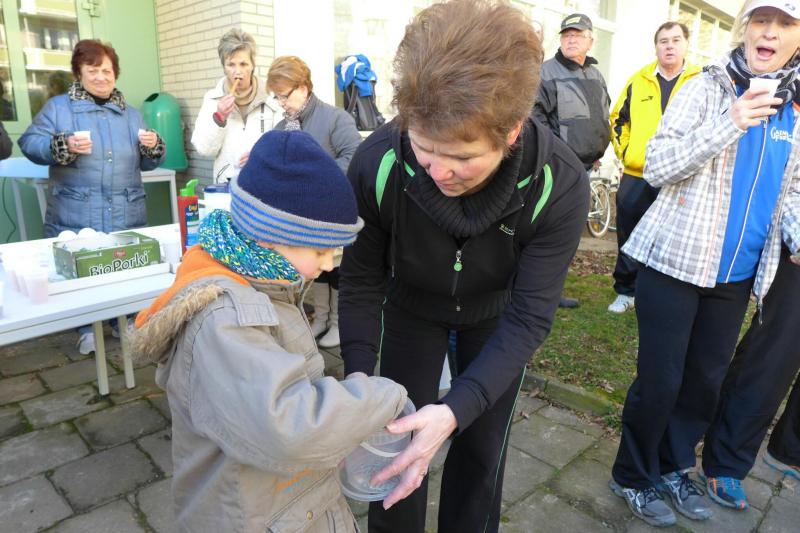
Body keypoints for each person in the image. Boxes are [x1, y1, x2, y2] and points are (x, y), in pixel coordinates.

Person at [338, 1, 589, 531]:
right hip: (409, 310)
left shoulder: (559, 183)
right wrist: (359, 377)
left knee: (480, 451)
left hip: (496, 317)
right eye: (425, 150)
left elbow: (531, 315)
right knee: (396, 444)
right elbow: (360, 280)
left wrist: (457, 409)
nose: (439, 173)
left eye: (462, 158)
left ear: (512, 132)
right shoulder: (378, 161)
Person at [130, 129, 408, 533]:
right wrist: (383, 397)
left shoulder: (267, 285)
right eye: (320, 251)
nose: (328, 265)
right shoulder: (226, 318)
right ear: (269, 236)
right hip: (252, 516)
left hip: (286, 505)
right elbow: (290, 427)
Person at [609, 0, 800, 527]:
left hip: (736, 275)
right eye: (761, 21)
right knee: (661, 382)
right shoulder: (706, 87)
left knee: (703, 385)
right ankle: (632, 475)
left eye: (785, 24)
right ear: (745, 29)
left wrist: (797, 234)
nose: (770, 32)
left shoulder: (794, 108)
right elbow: (659, 164)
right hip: (676, 264)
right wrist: (731, 121)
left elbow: (792, 191)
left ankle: (673, 468)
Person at [18, 39, 165, 355]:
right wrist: (62, 145)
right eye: (93, 70)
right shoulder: (59, 108)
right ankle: (87, 329)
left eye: (107, 70)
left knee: (124, 268)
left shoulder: (131, 115)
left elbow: (147, 163)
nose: (101, 77)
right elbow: (29, 143)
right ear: (79, 73)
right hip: (76, 210)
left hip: (125, 209)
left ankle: (124, 320)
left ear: (115, 73)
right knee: (81, 271)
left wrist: (153, 147)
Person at [267, 55, 362, 348]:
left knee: (334, 266)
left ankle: (338, 323)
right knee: (313, 268)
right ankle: (320, 318)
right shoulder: (282, 127)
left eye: (285, 95)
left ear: (303, 87)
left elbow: (355, 157)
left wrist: (316, 176)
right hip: (303, 214)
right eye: (276, 97)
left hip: (333, 210)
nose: (281, 103)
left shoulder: (335, 118)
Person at [607, 22, 700, 314]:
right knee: (629, 233)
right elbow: (618, 119)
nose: (669, 46)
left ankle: (660, 295)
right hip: (638, 175)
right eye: (663, 41)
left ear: (686, 44)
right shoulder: (638, 80)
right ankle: (626, 291)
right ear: (656, 46)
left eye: (676, 40)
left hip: (680, 176)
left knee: (671, 238)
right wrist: (628, 155)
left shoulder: (701, 81)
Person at [533, 12, 610, 309]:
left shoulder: (596, 75)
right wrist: (556, 154)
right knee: (548, 230)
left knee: (568, 232)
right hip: (557, 168)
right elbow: (535, 118)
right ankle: (537, 290)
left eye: (577, 35)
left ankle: (553, 290)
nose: (571, 40)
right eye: (566, 35)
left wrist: (597, 150)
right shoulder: (546, 72)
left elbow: (601, 116)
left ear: (591, 40)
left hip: (586, 168)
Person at [191, 28, 278, 183]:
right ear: (224, 67)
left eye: (243, 64)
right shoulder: (212, 99)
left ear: (253, 65)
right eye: (231, 64)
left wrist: (261, 156)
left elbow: (283, 145)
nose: (238, 71)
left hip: (264, 183)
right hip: (226, 185)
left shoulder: (271, 98)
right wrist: (219, 118)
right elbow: (204, 149)